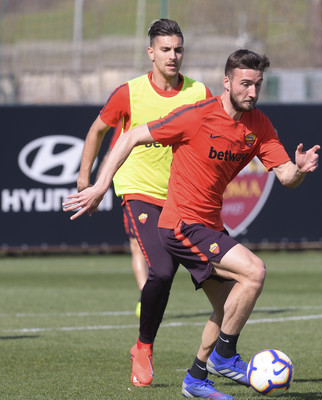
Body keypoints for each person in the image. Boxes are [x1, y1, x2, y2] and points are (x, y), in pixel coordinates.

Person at [64, 49, 320, 399]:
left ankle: (196, 378)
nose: (252, 92)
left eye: (258, 85)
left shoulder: (259, 125)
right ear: (226, 82)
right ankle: (224, 358)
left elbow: (286, 177)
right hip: (181, 224)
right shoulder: (198, 115)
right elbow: (130, 136)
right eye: (245, 84)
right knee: (254, 271)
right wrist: (99, 185)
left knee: (228, 306)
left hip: (209, 226)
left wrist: (300, 169)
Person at [75, 17, 212, 378]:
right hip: (139, 190)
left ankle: (221, 353)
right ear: (151, 52)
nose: (173, 56)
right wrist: (85, 179)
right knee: (162, 269)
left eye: (178, 49)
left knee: (207, 276)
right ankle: (144, 348)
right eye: (165, 49)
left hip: (182, 197)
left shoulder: (199, 93)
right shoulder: (129, 92)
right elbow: (97, 131)